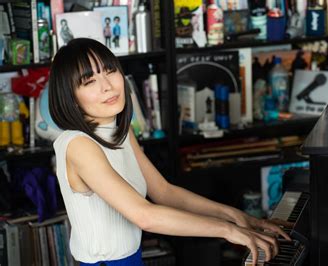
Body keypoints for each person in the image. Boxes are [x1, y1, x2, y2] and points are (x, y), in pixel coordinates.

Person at [48, 38, 290, 266]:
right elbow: (145, 216)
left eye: (110, 71)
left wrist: (236, 216)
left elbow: (164, 192)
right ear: (70, 97)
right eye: (89, 81)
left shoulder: (118, 130)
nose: (108, 86)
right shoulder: (78, 145)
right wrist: (229, 231)